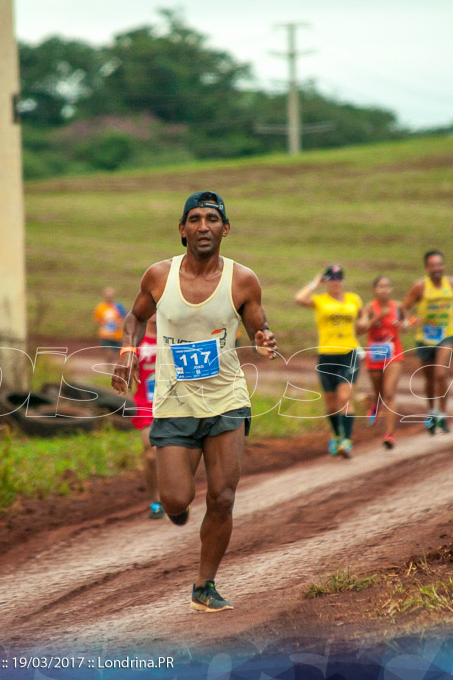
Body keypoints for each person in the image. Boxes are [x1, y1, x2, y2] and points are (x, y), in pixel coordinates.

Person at [112, 191, 277, 613]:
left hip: (226, 400)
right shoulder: (158, 276)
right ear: (182, 230)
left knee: (222, 496)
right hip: (174, 402)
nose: (204, 226)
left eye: (212, 219)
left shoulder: (242, 280)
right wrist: (127, 354)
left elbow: (259, 325)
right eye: (195, 219)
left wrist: (263, 338)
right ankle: (175, 507)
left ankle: (205, 585)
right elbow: (135, 318)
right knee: (176, 500)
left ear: (226, 228)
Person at [402, 250, 453, 435]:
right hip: (425, 337)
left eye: (439, 264)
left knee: (440, 374)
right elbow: (404, 308)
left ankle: (443, 414)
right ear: (427, 268)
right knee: (428, 378)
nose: (437, 268)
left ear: (443, 266)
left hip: (447, 334)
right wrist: (411, 321)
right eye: (433, 265)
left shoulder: (452, 283)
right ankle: (432, 412)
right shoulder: (420, 286)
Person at [294, 265, 364, 458]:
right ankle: (337, 434)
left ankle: (347, 441)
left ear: (343, 280)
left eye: (338, 278)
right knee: (332, 404)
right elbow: (299, 298)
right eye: (331, 278)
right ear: (327, 281)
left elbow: (363, 318)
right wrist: (315, 283)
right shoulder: (320, 300)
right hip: (326, 355)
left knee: (345, 398)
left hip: (348, 353)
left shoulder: (354, 299)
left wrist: (364, 323)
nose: (335, 282)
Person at [356, 275, 408, 449]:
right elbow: (360, 329)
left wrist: (405, 325)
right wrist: (377, 317)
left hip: (394, 354)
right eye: (381, 287)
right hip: (375, 354)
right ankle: (375, 404)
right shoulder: (369, 308)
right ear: (375, 290)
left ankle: (390, 434)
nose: (385, 290)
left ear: (391, 289)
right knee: (378, 390)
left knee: (389, 393)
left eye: (387, 286)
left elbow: (406, 322)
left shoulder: (398, 306)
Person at [131, 314, 163, 519]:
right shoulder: (136, 335)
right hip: (146, 403)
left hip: (174, 401)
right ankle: (157, 501)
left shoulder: (173, 332)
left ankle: (179, 494)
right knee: (151, 455)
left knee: (176, 452)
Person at [93, 287, 126, 354]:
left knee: (116, 353)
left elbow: (124, 317)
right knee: (107, 352)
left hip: (117, 335)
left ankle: (113, 364)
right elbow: (96, 319)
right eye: (107, 296)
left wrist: (119, 324)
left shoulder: (118, 306)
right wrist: (103, 324)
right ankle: (108, 364)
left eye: (110, 296)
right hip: (105, 334)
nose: (109, 298)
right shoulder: (100, 307)